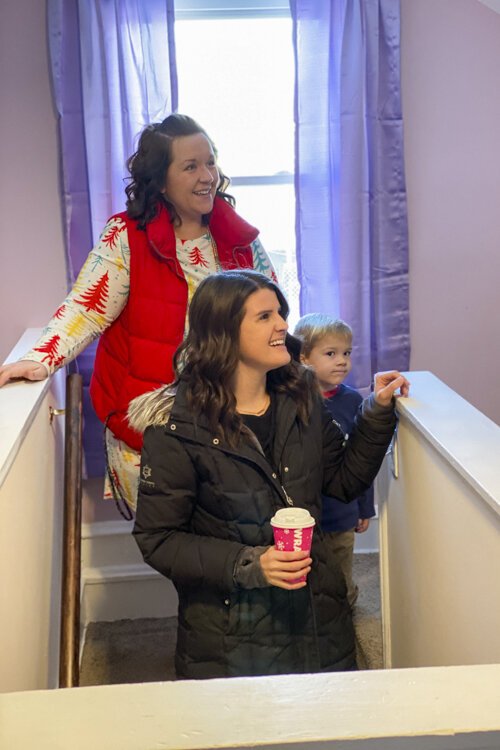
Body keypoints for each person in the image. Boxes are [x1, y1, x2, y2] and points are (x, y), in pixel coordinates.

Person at [128, 270, 410, 679]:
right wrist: (250, 564)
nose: (282, 324)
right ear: (224, 332)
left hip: (318, 617)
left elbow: (344, 481)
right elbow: (159, 540)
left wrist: (376, 413)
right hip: (230, 636)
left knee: (326, 734)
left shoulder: (302, 400)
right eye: (264, 317)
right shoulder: (176, 427)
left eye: (280, 312)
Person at [0, 114, 276, 514]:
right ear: (161, 182)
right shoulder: (126, 238)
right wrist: (41, 359)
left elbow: (275, 316)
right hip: (151, 431)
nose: (207, 176)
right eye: (191, 166)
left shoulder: (240, 241)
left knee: (229, 548)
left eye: (211, 162)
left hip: (230, 423)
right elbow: (86, 307)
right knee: (175, 550)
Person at [294, 313, 375, 608]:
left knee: (340, 575)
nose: (342, 361)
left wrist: (365, 506)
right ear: (303, 357)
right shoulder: (290, 400)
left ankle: (345, 611)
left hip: (341, 514)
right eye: (331, 354)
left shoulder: (353, 402)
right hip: (301, 515)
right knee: (305, 579)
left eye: (346, 353)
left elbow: (361, 460)